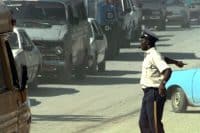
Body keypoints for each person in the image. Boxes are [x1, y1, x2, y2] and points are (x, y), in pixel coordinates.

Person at [139, 29, 186, 133]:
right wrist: (176, 62)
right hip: (147, 93)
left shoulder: (154, 55)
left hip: (155, 93)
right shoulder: (150, 54)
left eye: (142, 40)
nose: (140, 43)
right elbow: (164, 59)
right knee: (143, 123)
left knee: (154, 124)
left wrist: (162, 84)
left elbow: (167, 70)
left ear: (148, 42)